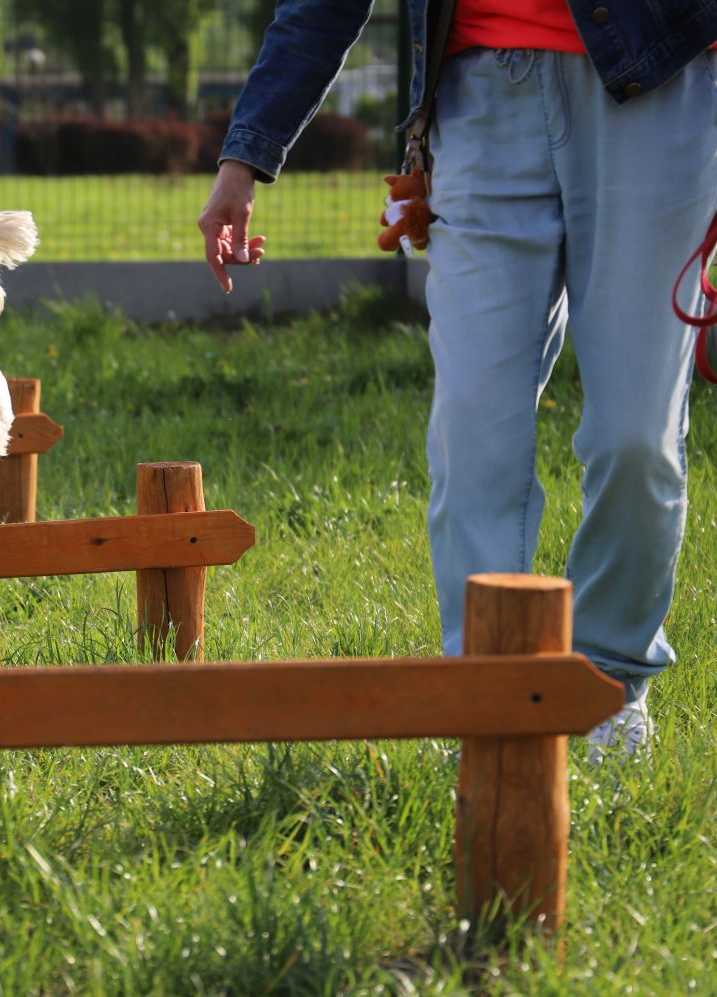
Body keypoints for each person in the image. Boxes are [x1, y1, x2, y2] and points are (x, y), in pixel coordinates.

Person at [200, 0, 717, 762]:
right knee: (473, 433)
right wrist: (246, 154)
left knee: (637, 438)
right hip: (480, 98)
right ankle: (488, 694)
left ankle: (607, 689)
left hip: (658, 90)